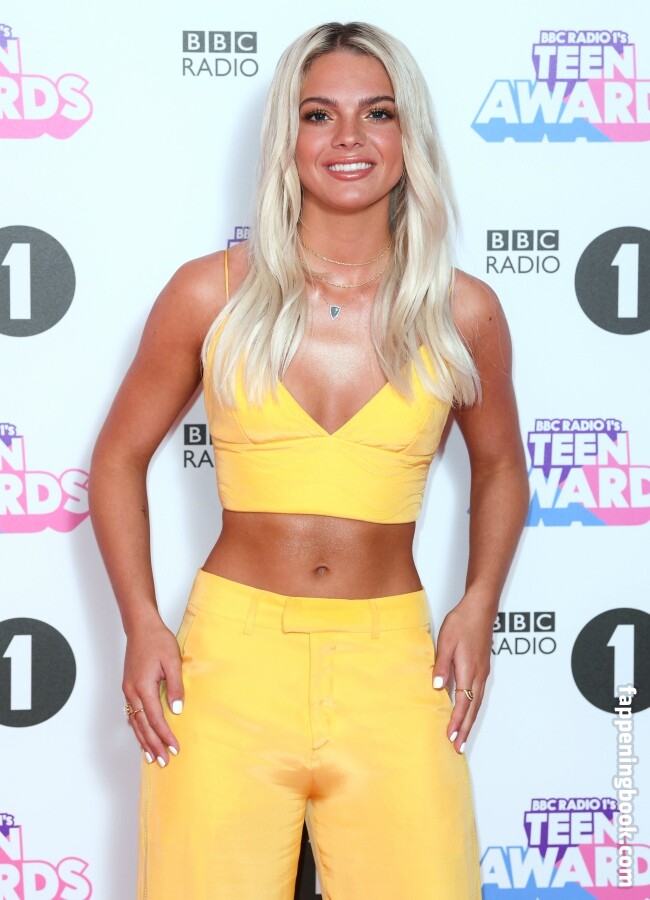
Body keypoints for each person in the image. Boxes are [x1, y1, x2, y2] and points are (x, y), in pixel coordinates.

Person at [88, 20, 529, 900]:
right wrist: (140, 622)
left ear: (409, 136)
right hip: (228, 668)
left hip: (392, 664)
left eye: (378, 113)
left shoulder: (463, 311)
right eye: (319, 114)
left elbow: (500, 469)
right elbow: (117, 458)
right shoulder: (209, 293)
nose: (348, 138)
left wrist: (479, 603)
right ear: (287, 138)